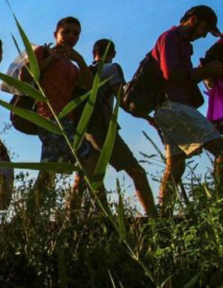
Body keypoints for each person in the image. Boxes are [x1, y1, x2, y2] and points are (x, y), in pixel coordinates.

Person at [150, 6, 223, 215]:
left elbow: (182, 76)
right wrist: (205, 71)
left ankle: (164, 216)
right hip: (174, 105)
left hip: (168, 107)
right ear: (193, 20)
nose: (203, 35)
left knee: (176, 165)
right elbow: (171, 74)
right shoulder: (171, 38)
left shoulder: (181, 43)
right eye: (204, 28)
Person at [29, 17, 97, 210]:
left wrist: (79, 59)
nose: (71, 36)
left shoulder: (71, 65)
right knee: (88, 157)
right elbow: (27, 75)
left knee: (48, 172)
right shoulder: (42, 51)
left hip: (64, 119)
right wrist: (51, 58)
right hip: (50, 118)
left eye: (75, 34)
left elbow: (89, 86)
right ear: (55, 34)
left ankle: (29, 215)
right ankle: (81, 208)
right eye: (66, 32)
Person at [84, 39, 156, 216]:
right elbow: (122, 99)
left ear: (93, 53)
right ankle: (153, 216)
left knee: (88, 176)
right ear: (113, 54)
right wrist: (146, 116)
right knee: (136, 171)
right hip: (103, 127)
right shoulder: (112, 68)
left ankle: (100, 215)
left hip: (84, 129)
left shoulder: (85, 71)